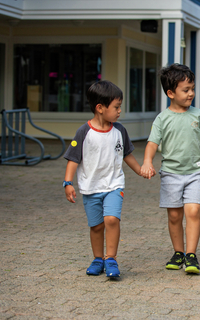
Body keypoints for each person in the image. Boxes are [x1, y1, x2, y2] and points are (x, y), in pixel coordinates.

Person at [140, 63, 200, 274]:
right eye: (186, 90)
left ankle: (191, 255)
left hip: (195, 172)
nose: (191, 93)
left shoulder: (198, 115)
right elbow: (152, 143)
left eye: (192, 88)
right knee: (174, 216)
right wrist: (148, 161)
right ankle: (178, 252)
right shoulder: (162, 119)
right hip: (170, 174)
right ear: (170, 93)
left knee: (193, 211)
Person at [63, 80, 143, 278]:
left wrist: (140, 170)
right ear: (100, 108)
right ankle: (98, 259)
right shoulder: (84, 132)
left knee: (111, 219)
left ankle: (111, 259)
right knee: (97, 226)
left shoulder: (119, 131)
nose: (119, 111)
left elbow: (127, 155)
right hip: (91, 187)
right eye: (116, 107)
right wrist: (68, 182)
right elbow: (73, 159)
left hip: (114, 185)